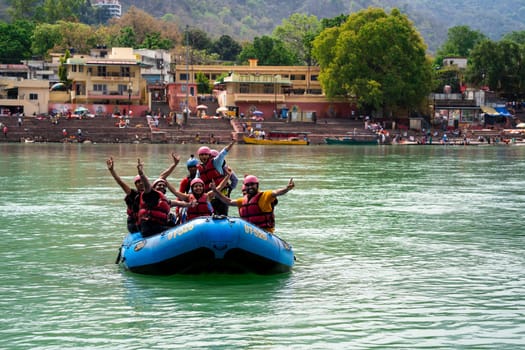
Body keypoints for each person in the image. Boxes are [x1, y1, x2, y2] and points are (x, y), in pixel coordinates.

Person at [106, 152, 181, 233]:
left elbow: (162, 177)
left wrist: (174, 164)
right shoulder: (133, 194)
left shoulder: (150, 192)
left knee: (171, 219)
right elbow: (121, 183)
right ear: (135, 185)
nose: (141, 183)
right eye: (138, 182)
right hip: (135, 224)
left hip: (149, 221)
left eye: (142, 181)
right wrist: (112, 171)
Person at [211, 175, 294, 233]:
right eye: (247, 185)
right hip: (248, 232)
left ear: (257, 185)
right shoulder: (242, 201)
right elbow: (228, 202)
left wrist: (287, 188)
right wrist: (215, 191)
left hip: (265, 233)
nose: (250, 187)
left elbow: (276, 192)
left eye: (252, 185)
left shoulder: (265, 195)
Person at [136, 159, 194, 237]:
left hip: (159, 227)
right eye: (159, 185)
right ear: (154, 187)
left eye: (163, 186)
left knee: (172, 221)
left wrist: (190, 204)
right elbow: (146, 184)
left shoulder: (166, 201)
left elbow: (180, 203)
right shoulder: (149, 193)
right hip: (149, 226)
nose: (162, 186)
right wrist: (141, 174)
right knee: (174, 229)